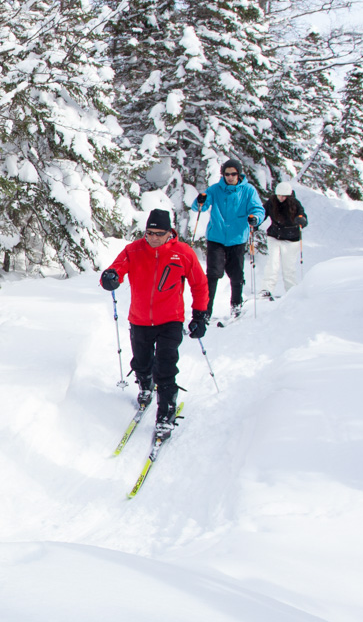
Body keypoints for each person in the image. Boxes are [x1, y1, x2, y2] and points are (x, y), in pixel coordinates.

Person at [99, 208, 210, 435]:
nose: (154, 238)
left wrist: (199, 315)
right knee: (141, 362)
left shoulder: (183, 253)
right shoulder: (134, 250)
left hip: (171, 319)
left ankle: (166, 412)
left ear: (170, 232)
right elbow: (116, 270)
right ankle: (145, 383)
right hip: (140, 319)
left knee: (166, 367)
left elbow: (199, 285)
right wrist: (109, 277)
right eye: (150, 233)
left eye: (160, 233)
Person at [191, 160, 266, 318]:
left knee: (236, 274)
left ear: (238, 174)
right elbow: (200, 206)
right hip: (216, 237)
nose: (230, 177)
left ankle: (236, 306)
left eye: (233, 174)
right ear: (223, 174)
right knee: (213, 274)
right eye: (227, 174)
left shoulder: (248, 190)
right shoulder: (216, 189)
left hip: (237, 238)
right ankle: (206, 311)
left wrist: (255, 218)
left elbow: (258, 209)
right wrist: (200, 201)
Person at [262, 180, 308, 298]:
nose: (281, 198)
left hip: (291, 239)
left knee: (289, 267)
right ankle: (267, 290)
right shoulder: (272, 202)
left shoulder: (295, 203)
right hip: (274, 236)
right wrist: (256, 221)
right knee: (272, 263)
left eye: (284, 196)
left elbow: (303, 216)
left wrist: (301, 220)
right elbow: (262, 213)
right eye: (279, 195)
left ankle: (291, 291)